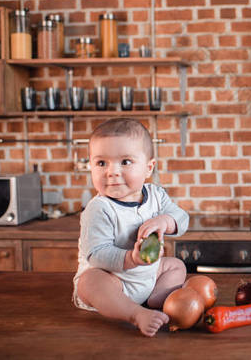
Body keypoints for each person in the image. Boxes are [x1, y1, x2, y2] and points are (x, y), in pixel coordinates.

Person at [72, 118, 189, 337]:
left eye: (125, 162)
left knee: (175, 265)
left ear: (148, 167)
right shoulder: (99, 209)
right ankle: (136, 314)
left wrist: (165, 220)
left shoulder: (156, 195)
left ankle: (161, 303)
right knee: (90, 281)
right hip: (114, 283)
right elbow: (96, 254)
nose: (112, 172)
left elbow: (182, 218)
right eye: (101, 163)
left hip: (147, 277)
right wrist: (131, 259)